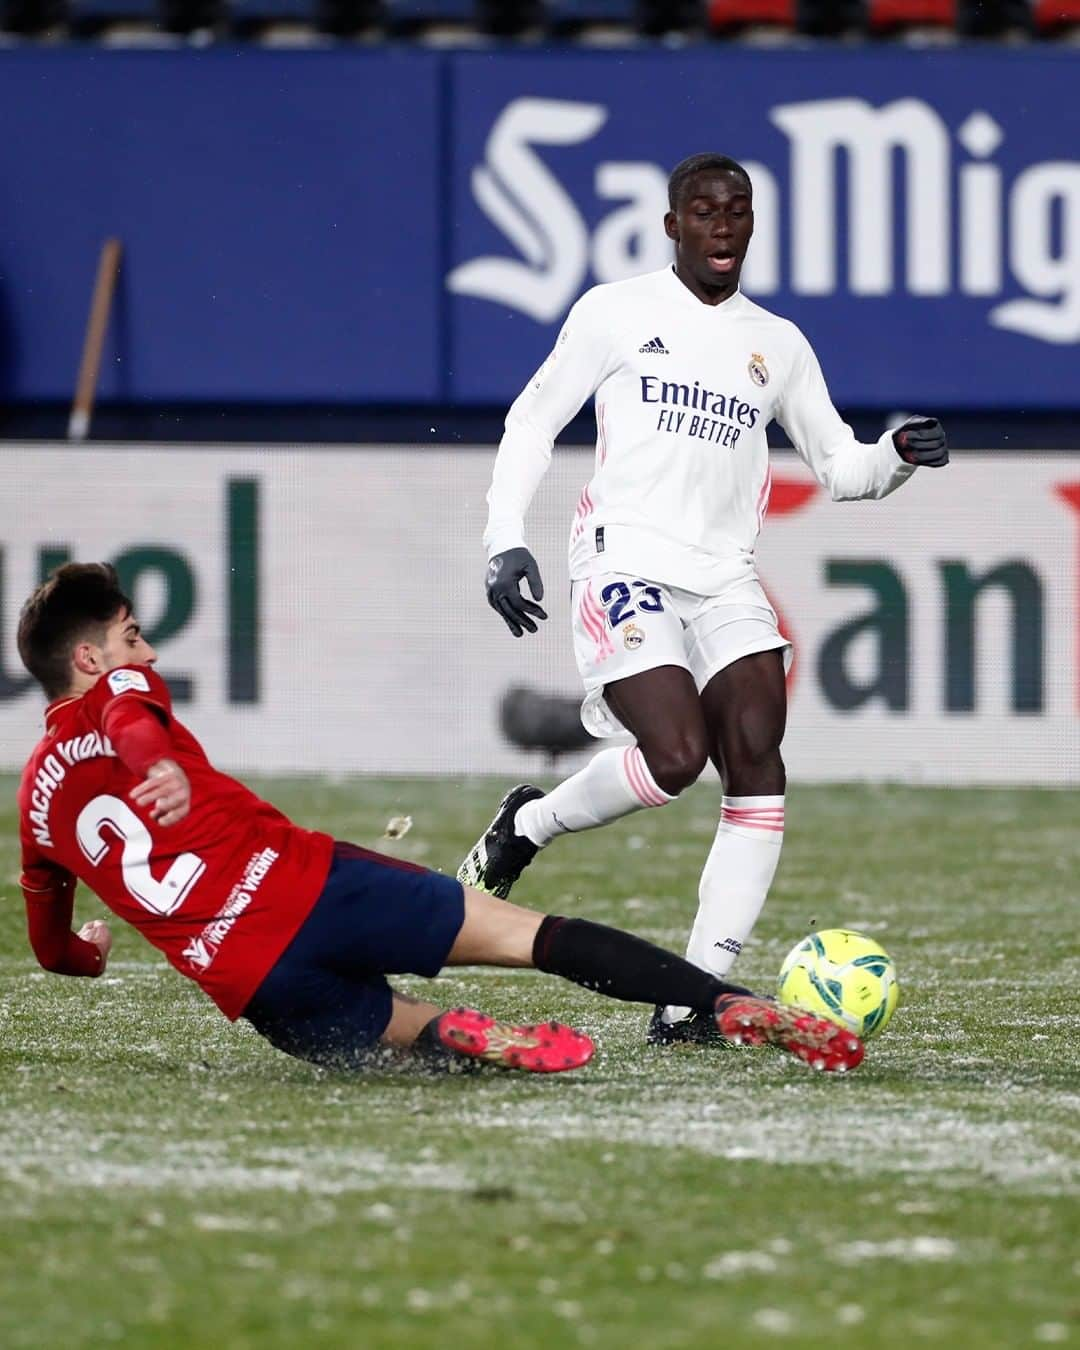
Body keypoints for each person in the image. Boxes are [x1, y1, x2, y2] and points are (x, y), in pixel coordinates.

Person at [459, 151, 948, 1045]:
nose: (723, 225)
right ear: (672, 225)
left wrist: (895, 456)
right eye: (704, 210)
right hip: (624, 560)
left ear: (751, 225)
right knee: (677, 755)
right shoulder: (615, 312)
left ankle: (690, 998)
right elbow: (530, 422)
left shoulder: (780, 344)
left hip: (724, 571)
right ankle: (526, 824)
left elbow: (841, 468)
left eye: (738, 211)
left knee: (758, 760)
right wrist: (505, 539)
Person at [14, 563, 865, 1076]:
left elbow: (53, 951)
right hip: (312, 887)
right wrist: (153, 761)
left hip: (252, 980)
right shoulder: (123, 696)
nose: (148, 654)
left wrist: (89, 954)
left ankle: (450, 1034)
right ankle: (720, 1004)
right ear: (90, 659)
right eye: (131, 638)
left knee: (395, 1041)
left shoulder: (35, 807)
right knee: (530, 935)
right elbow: (127, 720)